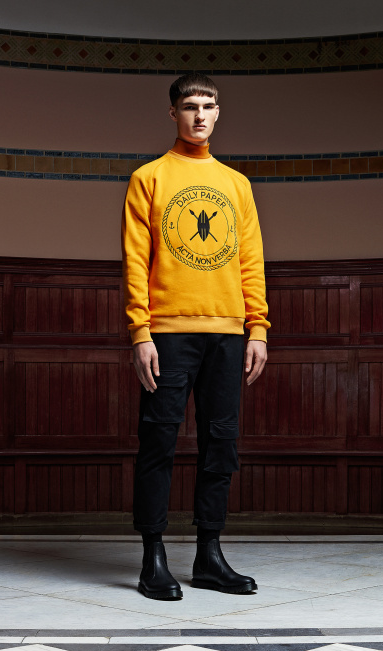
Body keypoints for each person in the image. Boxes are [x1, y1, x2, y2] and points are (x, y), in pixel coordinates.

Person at [121, 72, 270, 600]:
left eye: (208, 106)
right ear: (174, 113)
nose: (199, 115)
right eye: (190, 106)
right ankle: (153, 558)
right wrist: (140, 332)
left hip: (227, 333)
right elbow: (135, 261)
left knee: (220, 445)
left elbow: (250, 260)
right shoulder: (149, 178)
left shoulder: (237, 184)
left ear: (218, 113)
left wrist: (258, 327)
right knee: (158, 442)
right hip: (167, 333)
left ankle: (210, 555)